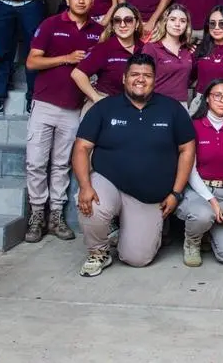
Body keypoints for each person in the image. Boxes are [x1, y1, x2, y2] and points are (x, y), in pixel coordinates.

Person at [74, 54, 197, 275]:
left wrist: (176, 193)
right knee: (92, 204)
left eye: (147, 75)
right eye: (135, 74)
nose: (140, 80)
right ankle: (98, 251)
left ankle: (123, 234)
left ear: (154, 80)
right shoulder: (104, 108)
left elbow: (187, 149)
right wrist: (84, 185)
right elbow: (82, 148)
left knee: (138, 258)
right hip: (108, 181)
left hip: (147, 195)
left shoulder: (172, 109)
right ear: (124, 78)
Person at [23, 0, 103, 243]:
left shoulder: (98, 32)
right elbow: (32, 61)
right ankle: (37, 215)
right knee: (36, 162)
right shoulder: (51, 24)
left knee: (60, 164)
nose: (81, 0)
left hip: (73, 108)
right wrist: (65, 58)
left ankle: (55, 216)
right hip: (45, 104)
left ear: (93, 0)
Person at [176, 79, 223, 267]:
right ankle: (192, 242)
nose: (222, 100)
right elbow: (189, 171)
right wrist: (212, 200)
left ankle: (210, 234)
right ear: (207, 98)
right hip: (197, 192)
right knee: (203, 214)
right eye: (217, 95)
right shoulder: (194, 126)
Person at [71, 2, 143, 103]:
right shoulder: (104, 48)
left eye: (128, 20)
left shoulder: (145, 49)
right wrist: (96, 98)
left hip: (135, 103)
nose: (122, 25)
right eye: (117, 20)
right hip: (107, 100)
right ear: (113, 25)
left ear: (137, 24)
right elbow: (77, 73)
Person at [142, 4, 196, 102]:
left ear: (187, 25)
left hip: (181, 105)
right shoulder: (151, 47)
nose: (177, 24)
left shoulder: (188, 50)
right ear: (165, 21)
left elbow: (191, 78)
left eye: (182, 21)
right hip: (157, 103)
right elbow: (143, 80)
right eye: (173, 19)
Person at [192, 6, 223, 98]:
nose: (216, 28)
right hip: (201, 101)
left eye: (222, 24)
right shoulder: (198, 50)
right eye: (212, 24)